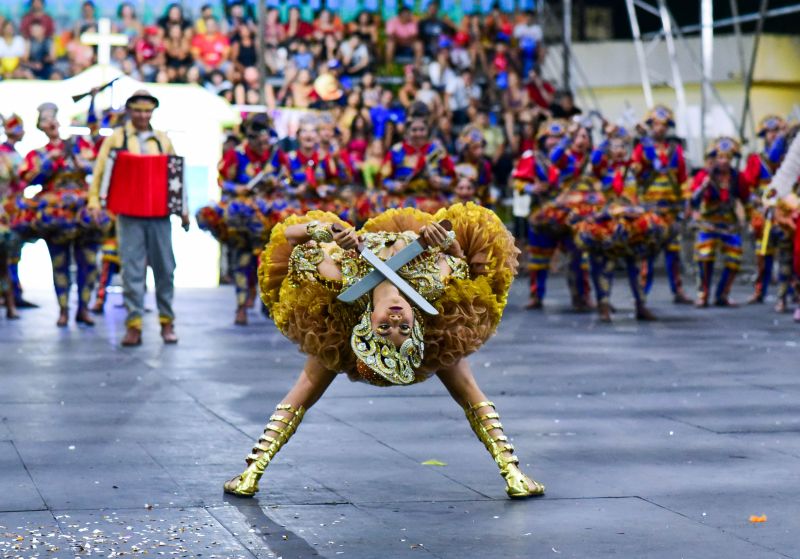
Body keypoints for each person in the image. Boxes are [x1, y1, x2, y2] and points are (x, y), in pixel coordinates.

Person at [222, 203, 545, 500]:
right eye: (404, 329)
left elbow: (290, 238)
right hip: (427, 288)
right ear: (416, 327)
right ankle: (514, 474)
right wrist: (444, 239)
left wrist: (325, 231)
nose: (395, 320)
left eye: (385, 329)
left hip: (348, 283)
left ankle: (251, 471)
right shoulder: (431, 284)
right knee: (468, 389)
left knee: (306, 387)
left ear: (367, 324)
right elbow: (461, 259)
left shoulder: (340, 281)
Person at [88, 90, 189, 346]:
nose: (143, 115)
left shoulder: (162, 139)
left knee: (165, 268)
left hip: (159, 214)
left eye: (147, 111)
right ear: (129, 111)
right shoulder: (117, 139)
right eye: (138, 110)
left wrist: (183, 209)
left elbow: (175, 175)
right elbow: (100, 171)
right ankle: (134, 324)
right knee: (131, 269)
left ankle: (167, 322)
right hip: (129, 213)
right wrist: (95, 202)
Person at [19, 103, 105, 327]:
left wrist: (77, 160)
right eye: (46, 120)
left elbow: (96, 168)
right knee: (59, 262)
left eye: (53, 118)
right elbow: (30, 179)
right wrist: (51, 161)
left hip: (83, 209)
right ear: (41, 126)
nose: (51, 123)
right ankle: (64, 309)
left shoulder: (77, 146)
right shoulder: (38, 154)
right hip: (55, 214)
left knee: (88, 261)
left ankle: (84, 308)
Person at [199, 113, 285, 326]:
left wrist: (276, 183)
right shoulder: (235, 155)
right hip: (242, 218)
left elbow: (287, 178)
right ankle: (241, 305)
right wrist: (239, 188)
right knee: (242, 259)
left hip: (269, 214)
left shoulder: (275, 154)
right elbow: (222, 182)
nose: (264, 145)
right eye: (260, 141)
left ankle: (268, 303)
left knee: (270, 260)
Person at [577, 126, 662, 322]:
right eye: (615, 146)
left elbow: (653, 163)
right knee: (605, 264)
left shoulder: (634, 169)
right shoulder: (602, 169)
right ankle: (604, 306)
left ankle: (641, 305)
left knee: (635, 264)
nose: (619, 149)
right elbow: (595, 160)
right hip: (608, 222)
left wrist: (644, 137)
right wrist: (606, 138)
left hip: (632, 221)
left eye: (622, 146)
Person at [632, 105, 693, 304]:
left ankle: (678, 290)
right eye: (655, 124)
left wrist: (687, 202)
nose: (659, 128)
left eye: (663, 125)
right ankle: (642, 291)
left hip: (672, 209)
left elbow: (683, 178)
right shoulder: (642, 148)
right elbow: (635, 174)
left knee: (673, 252)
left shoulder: (676, 150)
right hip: (650, 208)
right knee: (648, 252)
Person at [690, 138, 751, 308]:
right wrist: (703, 187)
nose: (724, 161)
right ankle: (703, 294)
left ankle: (722, 294)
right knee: (704, 255)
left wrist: (750, 217)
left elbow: (746, 198)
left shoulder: (737, 177)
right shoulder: (704, 175)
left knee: (735, 257)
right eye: (720, 157)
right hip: (708, 223)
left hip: (729, 224)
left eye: (727, 157)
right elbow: (692, 200)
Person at [742, 115, 789, 308]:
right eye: (770, 132)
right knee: (763, 253)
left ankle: (787, 294)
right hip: (764, 212)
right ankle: (760, 290)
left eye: (777, 131)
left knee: (788, 254)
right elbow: (747, 187)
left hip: (786, 211)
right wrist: (756, 206)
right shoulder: (756, 159)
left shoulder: (790, 159)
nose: (774, 135)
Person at [378, 102, 455, 214]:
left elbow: (453, 179)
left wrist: (440, 182)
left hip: (431, 198)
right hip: (402, 198)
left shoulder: (438, 151)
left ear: (427, 130)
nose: (418, 134)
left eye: (422, 130)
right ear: (407, 131)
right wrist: (395, 186)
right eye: (414, 130)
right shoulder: (396, 150)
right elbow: (382, 179)